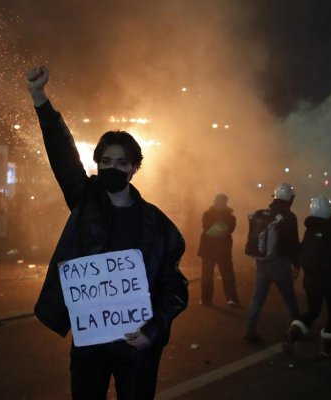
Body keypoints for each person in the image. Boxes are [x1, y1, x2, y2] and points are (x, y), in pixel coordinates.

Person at [26, 66, 189, 400]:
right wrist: (40, 98)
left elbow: (174, 287)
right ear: (97, 163)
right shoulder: (84, 201)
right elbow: (61, 153)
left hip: (137, 345)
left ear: (135, 168)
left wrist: (153, 331)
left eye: (122, 162)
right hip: (90, 343)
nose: (113, 167)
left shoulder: (158, 225)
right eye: (106, 160)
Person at [282, 196, 331, 357]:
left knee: (313, 310)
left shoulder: (310, 230)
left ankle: (293, 332)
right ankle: (326, 348)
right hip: (330, 279)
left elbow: (303, 252)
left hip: (311, 279)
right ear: (329, 211)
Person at [243, 183, 301, 343]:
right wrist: (296, 264)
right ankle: (295, 330)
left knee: (258, 297)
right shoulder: (289, 217)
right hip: (280, 264)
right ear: (290, 199)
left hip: (262, 263)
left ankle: (250, 330)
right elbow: (293, 244)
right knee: (289, 297)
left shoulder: (264, 214)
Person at [197, 193, 240, 306]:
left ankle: (206, 299)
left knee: (208, 275)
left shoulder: (207, 215)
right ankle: (232, 298)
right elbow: (226, 229)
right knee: (227, 275)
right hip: (223, 249)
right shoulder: (231, 217)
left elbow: (208, 228)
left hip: (208, 249)